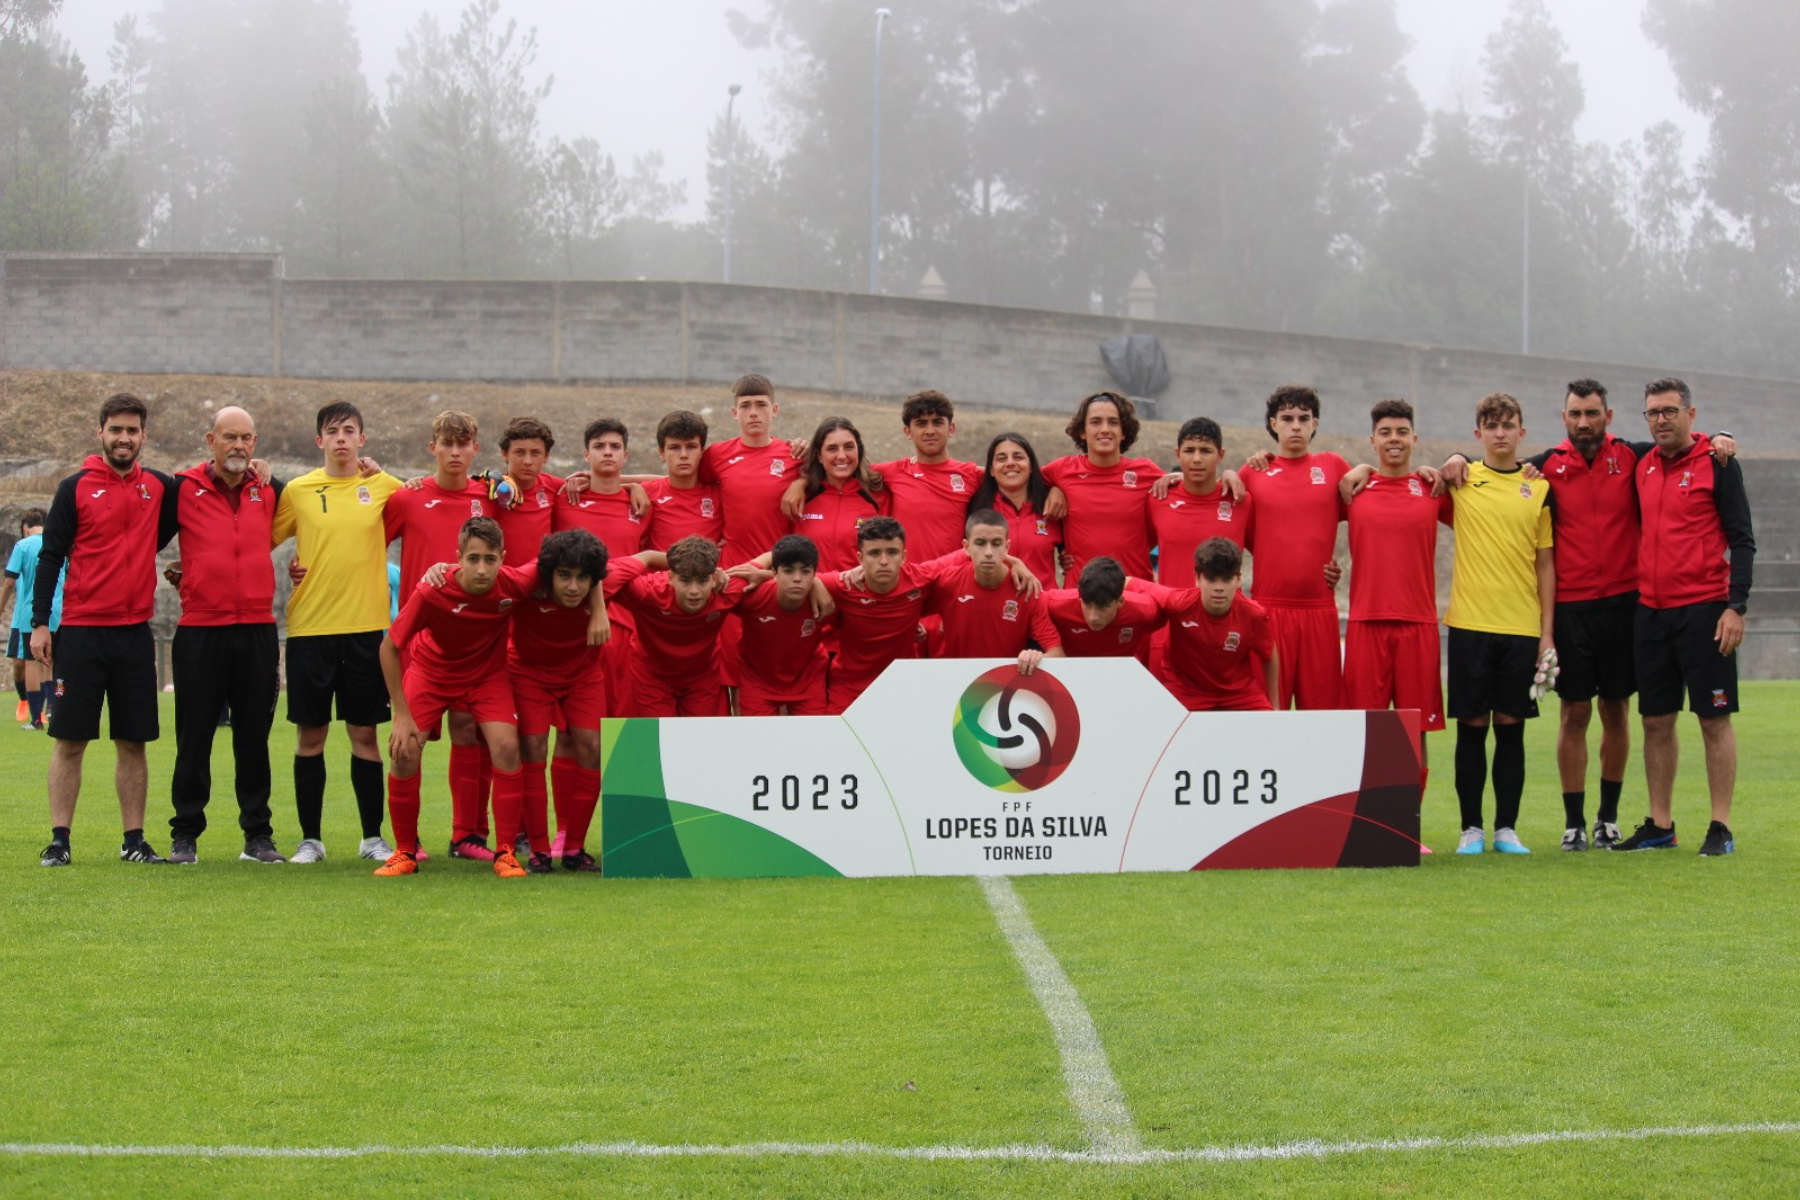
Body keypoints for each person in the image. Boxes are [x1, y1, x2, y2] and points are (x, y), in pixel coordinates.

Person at [32, 393, 179, 867]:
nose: (124, 438)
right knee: (70, 739)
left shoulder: (158, 487)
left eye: (132, 430)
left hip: (134, 633)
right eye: (116, 429)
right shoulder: (73, 488)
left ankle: (133, 841)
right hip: (80, 632)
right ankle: (59, 840)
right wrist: (39, 623)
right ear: (101, 433)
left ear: (144, 436)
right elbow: (51, 556)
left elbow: (201, 499)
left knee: (133, 741)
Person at [1616, 378, 1755, 857]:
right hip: (1651, 612)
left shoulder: (1718, 463)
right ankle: (1660, 824)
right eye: (1653, 412)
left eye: (1670, 411)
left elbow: (1742, 538)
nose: (1661, 420)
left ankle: (1720, 825)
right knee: (1656, 721)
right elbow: (1583, 444)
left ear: (1691, 416)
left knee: (1713, 719)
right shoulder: (1642, 463)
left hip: (1705, 611)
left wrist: (1736, 606)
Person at [270, 401, 404, 865]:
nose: (342, 438)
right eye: (333, 431)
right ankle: (311, 840)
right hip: (311, 627)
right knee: (311, 736)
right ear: (319, 441)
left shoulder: (385, 487)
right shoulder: (299, 490)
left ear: (362, 440)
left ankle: (372, 837)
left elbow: (428, 509)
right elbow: (259, 536)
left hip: (368, 629)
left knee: (364, 735)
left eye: (350, 430)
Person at [375, 517, 539, 879]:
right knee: (404, 750)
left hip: (486, 677)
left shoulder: (514, 584)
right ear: (459, 558)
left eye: (491, 559)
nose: (482, 569)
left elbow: (570, 565)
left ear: (503, 558)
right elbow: (388, 647)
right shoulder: (433, 590)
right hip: (432, 672)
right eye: (474, 558)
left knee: (508, 748)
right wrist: (401, 715)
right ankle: (404, 851)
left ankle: (507, 853)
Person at [164, 406, 286, 865]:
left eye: (247, 438)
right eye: (229, 437)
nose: (239, 446)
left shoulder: (270, 489)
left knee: (253, 738)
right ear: (209, 440)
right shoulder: (182, 488)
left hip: (256, 628)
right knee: (193, 737)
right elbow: (146, 537)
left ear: (255, 443)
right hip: (200, 630)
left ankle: (258, 837)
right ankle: (185, 836)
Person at [1441, 393, 1555, 857]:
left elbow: (1545, 565)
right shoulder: (1461, 480)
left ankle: (1506, 828)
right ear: (1478, 434)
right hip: (1469, 623)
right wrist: (1451, 459)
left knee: (1511, 727)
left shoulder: (1540, 488)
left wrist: (1548, 632)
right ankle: (1471, 828)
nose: (1501, 432)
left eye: (1509, 425)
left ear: (1522, 433)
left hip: (1522, 627)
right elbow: (1424, 475)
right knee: (1471, 725)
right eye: (1491, 425)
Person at [385, 410, 497, 860]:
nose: (454, 452)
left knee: (470, 728)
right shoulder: (406, 498)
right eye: (446, 444)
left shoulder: (490, 496)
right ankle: (407, 845)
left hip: (476, 639)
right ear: (432, 448)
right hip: (419, 640)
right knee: (411, 739)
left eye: (463, 444)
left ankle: (467, 835)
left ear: (475, 449)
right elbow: (366, 546)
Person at [1342, 400, 1445, 776]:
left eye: (1402, 431)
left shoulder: (1433, 490)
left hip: (1418, 625)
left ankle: (1408, 829)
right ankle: (1365, 827)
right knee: (1364, 734)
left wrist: (1452, 462)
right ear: (1373, 440)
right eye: (1385, 432)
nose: (1394, 439)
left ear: (1414, 439)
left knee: (1415, 736)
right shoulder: (1353, 489)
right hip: (1366, 623)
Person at [1237, 385, 1348, 711]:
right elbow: (1230, 524)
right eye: (1287, 418)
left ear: (1315, 424)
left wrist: (1368, 469)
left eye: (1304, 418)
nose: (1295, 425)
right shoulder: (1254, 472)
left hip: (1319, 611)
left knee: (1323, 717)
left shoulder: (1333, 466)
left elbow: (1372, 506)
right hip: (1269, 610)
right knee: (1269, 715)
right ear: (1273, 424)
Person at [1041, 391, 1164, 580]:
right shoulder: (1061, 470)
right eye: (1096, 422)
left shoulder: (1146, 472)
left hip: (1135, 595)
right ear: (1082, 431)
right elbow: (1007, 478)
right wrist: (1053, 489)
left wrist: (1228, 475)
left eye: (1113, 422)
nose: (1105, 429)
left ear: (1124, 432)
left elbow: (1189, 486)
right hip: (1080, 597)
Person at [927, 509, 1062, 671]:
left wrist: (1037, 658)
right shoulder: (947, 583)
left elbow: (1058, 654)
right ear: (966, 547)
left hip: (1004, 686)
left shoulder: (1026, 591)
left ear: (1007, 547)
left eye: (996, 544)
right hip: (958, 682)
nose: (989, 552)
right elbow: (909, 608)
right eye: (980, 543)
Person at [1154, 539, 1277, 711]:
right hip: (1187, 691)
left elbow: (1269, 655)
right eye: (1211, 579)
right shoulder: (1178, 604)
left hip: (1239, 693)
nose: (1219, 588)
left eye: (1226, 579)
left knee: (1269, 729)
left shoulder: (1254, 614)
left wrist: (1276, 706)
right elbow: (1132, 584)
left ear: (1238, 580)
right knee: (1168, 729)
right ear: (1197, 578)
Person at [871, 390, 987, 561]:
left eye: (938, 422)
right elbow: (842, 469)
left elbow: (1023, 476)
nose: (930, 431)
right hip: (909, 581)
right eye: (921, 423)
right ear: (907, 431)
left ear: (951, 429)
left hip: (952, 581)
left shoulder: (971, 474)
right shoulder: (893, 472)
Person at [733, 535, 833, 716]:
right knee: (758, 741)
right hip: (757, 680)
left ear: (815, 572)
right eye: (788, 571)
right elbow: (714, 585)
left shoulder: (826, 597)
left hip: (808, 679)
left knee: (813, 740)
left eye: (805, 571)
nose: (797, 579)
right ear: (774, 573)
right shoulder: (751, 596)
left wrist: (817, 582)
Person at [1149, 417, 1252, 587]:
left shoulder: (1240, 501)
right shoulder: (1158, 498)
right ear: (1177, 454)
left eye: (1205, 451)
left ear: (1221, 455)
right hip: (1173, 612)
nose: (1197, 458)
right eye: (1189, 450)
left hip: (1225, 613)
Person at [792, 417, 888, 571]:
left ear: (859, 450)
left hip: (858, 594)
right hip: (809, 592)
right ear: (819, 455)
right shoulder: (800, 496)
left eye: (849, 447)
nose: (842, 456)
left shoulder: (878, 494)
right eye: (832, 449)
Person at [966, 433, 1062, 587]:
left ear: (1031, 466)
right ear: (990, 470)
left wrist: (1057, 489)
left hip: (1043, 605)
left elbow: (1072, 554)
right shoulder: (975, 508)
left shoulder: (1052, 507)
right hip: (993, 605)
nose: (1010, 463)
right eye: (1001, 458)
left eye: (1018, 457)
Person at [1042, 557, 1169, 661]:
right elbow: (1032, 604)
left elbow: (1171, 611)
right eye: (1086, 604)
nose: (1093, 617)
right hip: (1071, 674)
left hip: (1121, 675)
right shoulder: (1057, 603)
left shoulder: (1145, 609)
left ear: (1120, 602)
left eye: (1102, 607)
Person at [3, 509, 62, 730]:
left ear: (26, 527)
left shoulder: (23, 546)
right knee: (52, 664)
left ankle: (36, 719)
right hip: (59, 613)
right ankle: (53, 710)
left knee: (32, 664)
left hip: (32, 613)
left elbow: (9, 582)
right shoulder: (58, 543)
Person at [644, 410, 725, 551]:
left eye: (691, 447)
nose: (683, 455)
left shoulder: (721, 495)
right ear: (661, 453)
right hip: (659, 573)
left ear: (702, 451)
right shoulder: (646, 493)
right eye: (674, 447)